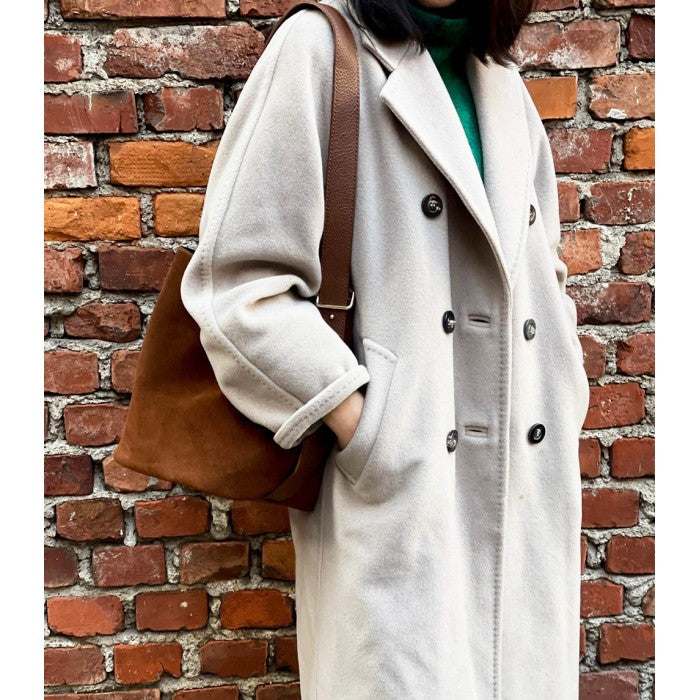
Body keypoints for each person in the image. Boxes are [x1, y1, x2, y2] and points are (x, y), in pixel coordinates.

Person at [181, 0, 590, 696]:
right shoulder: (318, 50)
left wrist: (562, 381)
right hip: (402, 503)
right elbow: (237, 288)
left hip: (526, 496)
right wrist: (368, 425)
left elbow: (541, 265)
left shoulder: (499, 79)